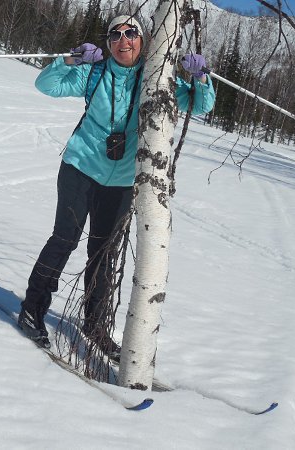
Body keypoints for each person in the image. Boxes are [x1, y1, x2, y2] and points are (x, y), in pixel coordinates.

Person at [18, 15, 216, 355]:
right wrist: (70, 60)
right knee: (64, 239)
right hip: (80, 168)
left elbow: (200, 104)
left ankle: (95, 324)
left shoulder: (156, 79)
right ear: (109, 43)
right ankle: (32, 310)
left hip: (122, 181)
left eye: (131, 33)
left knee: (104, 253)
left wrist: (200, 76)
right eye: (115, 35)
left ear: (143, 40)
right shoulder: (94, 73)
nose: (124, 40)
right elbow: (46, 85)